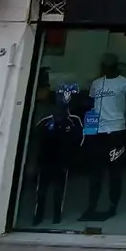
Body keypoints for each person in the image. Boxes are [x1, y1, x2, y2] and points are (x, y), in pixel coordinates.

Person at [79, 53, 126, 222]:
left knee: (115, 171)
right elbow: (91, 107)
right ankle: (92, 205)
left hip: (116, 131)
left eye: (108, 66)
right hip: (98, 133)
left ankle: (113, 204)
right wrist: (89, 131)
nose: (105, 69)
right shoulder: (96, 84)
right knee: (95, 172)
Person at [31, 84, 83, 225]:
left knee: (59, 190)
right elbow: (35, 140)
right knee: (42, 189)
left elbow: (79, 140)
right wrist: (34, 160)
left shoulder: (74, 121)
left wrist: (73, 157)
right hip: (45, 159)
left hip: (62, 160)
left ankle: (56, 216)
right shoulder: (45, 121)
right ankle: (38, 215)